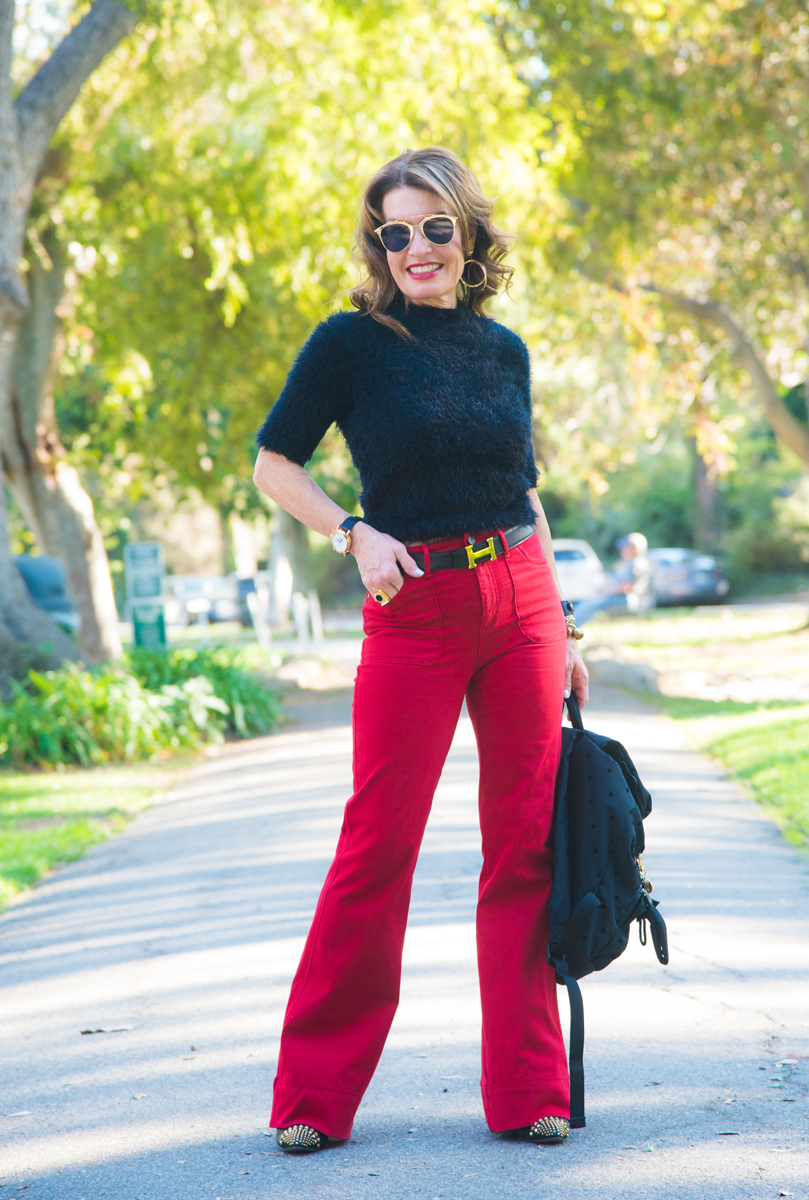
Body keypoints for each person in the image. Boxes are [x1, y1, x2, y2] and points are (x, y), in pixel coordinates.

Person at [253, 146, 589, 1156]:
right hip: (414, 602)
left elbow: (524, 494)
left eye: (433, 228)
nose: (414, 249)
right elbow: (274, 464)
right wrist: (351, 531)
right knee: (377, 846)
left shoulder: (504, 352)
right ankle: (312, 1095)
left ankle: (529, 1088)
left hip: (520, 597)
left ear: (468, 234)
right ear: (379, 245)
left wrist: (564, 626)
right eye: (394, 233)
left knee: (523, 844)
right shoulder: (350, 344)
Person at [573, 532, 653, 626]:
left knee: (589, 604)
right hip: (622, 597)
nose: (622, 550)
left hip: (628, 599)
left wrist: (607, 593)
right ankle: (573, 626)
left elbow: (627, 587)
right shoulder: (630, 562)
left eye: (625, 547)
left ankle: (572, 628)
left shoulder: (636, 563)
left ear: (634, 548)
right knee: (587, 602)